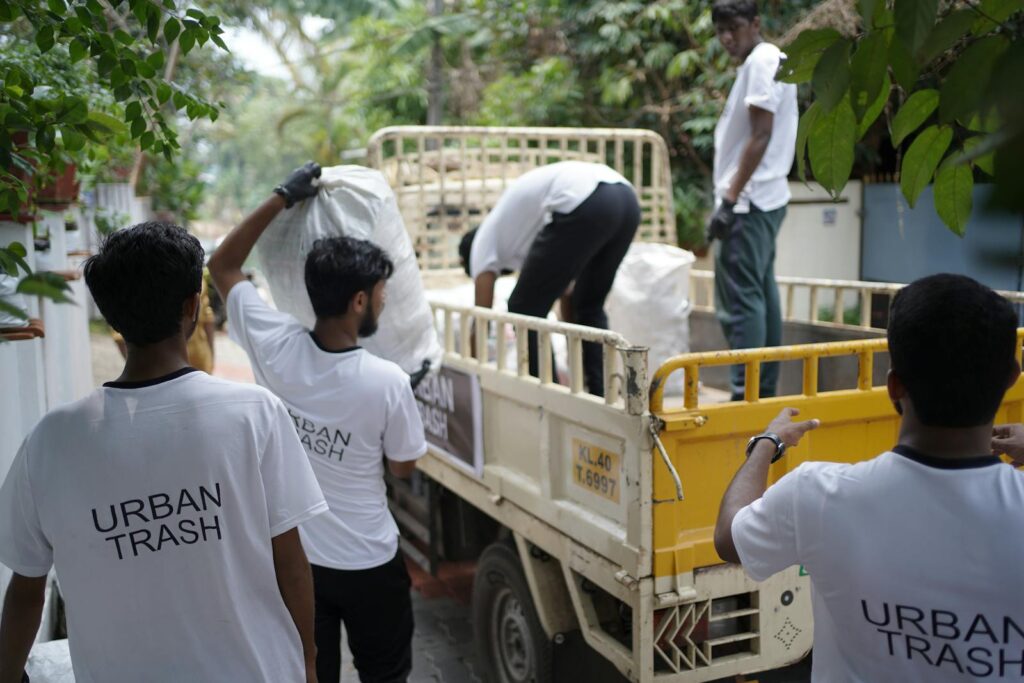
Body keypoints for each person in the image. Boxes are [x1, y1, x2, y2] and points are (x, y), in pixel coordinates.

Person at [0, 222, 327, 683]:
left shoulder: (50, 441)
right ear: (192, 307)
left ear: (112, 318)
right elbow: (289, 559)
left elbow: (26, 588)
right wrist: (309, 662)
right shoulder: (254, 413)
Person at [714, 273, 1024, 682]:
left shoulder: (817, 495)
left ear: (893, 385)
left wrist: (768, 443)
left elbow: (728, 537)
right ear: (1012, 376)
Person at [208, 163, 427, 683]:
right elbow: (402, 467)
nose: (384, 300)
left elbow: (222, 266)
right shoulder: (387, 381)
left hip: (296, 566)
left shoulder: (275, 345)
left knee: (311, 672)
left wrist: (282, 195)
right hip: (370, 562)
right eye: (379, 292)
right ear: (359, 302)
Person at [458, 160, 640, 396]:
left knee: (523, 310)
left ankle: (548, 396)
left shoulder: (482, 244)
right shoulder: (519, 234)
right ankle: (602, 395)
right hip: (626, 200)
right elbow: (566, 293)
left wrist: (474, 377)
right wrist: (570, 342)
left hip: (586, 200)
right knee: (587, 306)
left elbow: (481, 319)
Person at [706, 0, 798, 400]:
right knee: (760, 293)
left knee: (741, 301)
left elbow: (761, 134)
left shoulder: (762, 60)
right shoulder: (768, 60)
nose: (727, 37)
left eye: (734, 27)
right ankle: (762, 391)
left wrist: (728, 200)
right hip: (765, 197)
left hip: (748, 201)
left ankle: (747, 394)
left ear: (755, 24)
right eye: (720, 29)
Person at [111, 268, 216, 373]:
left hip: (198, 361)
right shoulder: (137, 278)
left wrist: (211, 357)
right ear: (194, 305)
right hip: (162, 368)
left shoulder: (195, 275)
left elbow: (208, 318)